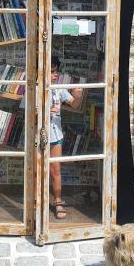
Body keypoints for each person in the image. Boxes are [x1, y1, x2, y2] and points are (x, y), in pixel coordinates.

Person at [49, 56, 82, 219]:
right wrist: (44, 112)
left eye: (56, 71)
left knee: (56, 170)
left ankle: (58, 200)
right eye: (52, 72)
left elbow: (75, 104)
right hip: (38, 134)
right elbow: (27, 112)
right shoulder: (32, 89)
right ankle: (36, 201)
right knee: (37, 170)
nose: (56, 75)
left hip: (55, 134)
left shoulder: (58, 89)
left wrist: (78, 95)